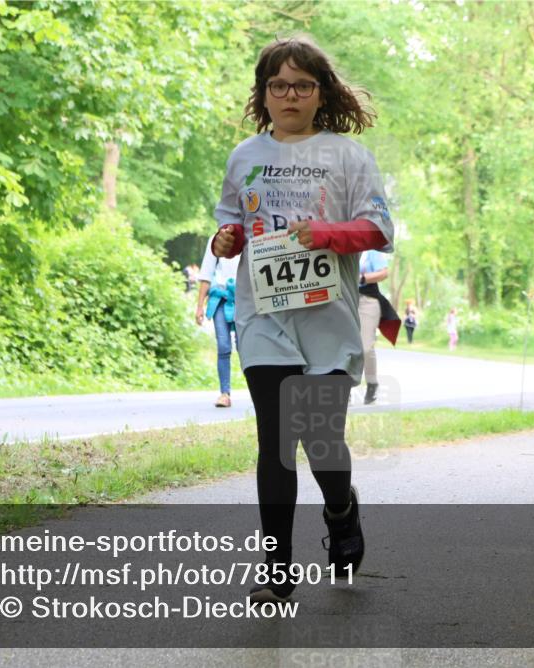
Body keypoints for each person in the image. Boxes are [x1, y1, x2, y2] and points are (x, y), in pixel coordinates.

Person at [210, 36, 393, 604]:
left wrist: (329, 235)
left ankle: (341, 510)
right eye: (278, 85)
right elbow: (231, 229)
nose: (290, 95)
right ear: (263, 94)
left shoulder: (348, 156)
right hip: (264, 321)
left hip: (327, 321)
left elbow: (379, 231)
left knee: (320, 441)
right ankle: (276, 569)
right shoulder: (244, 156)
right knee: (276, 441)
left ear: (321, 93)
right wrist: (226, 239)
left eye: (302, 85)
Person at [196, 235, 241, 407]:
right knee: (223, 345)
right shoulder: (216, 239)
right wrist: (200, 306)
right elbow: (206, 274)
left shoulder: (249, 235)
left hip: (244, 299)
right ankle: (224, 393)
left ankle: (257, 392)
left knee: (245, 348)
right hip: (221, 297)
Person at [358, 249, 396, 404]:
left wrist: (362, 278)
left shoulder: (370, 250)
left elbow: (384, 273)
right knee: (344, 345)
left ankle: (372, 383)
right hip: (344, 301)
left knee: (366, 346)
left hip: (367, 300)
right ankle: (345, 387)